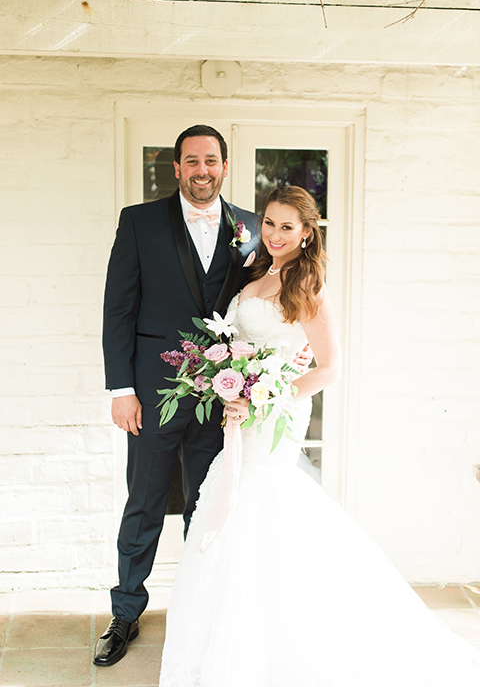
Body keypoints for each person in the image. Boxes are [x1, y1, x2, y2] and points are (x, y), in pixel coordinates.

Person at [158, 186, 480, 687]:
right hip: (241, 413)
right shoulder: (252, 274)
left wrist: (266, 396)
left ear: (308, 232)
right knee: (232, 504)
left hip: (276, 415)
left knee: (263, 505)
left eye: (288, 226)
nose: (275, 234)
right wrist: (227, 383)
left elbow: (329, 367)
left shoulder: (307, 284)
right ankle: (235, 643)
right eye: (269, 223)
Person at [95, 125, 263, 667]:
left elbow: (268, 305)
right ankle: (125, 613)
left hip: (222, 395)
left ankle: (200, 607)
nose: (201, 170)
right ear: (176, 168)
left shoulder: (253, 229)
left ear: (225, 165)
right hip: (151, 392)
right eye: (191, 161)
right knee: (143, 501)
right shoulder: (139, 222)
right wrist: (122, 388)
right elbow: (118, 309)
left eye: (210, 160)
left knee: (207, 504)